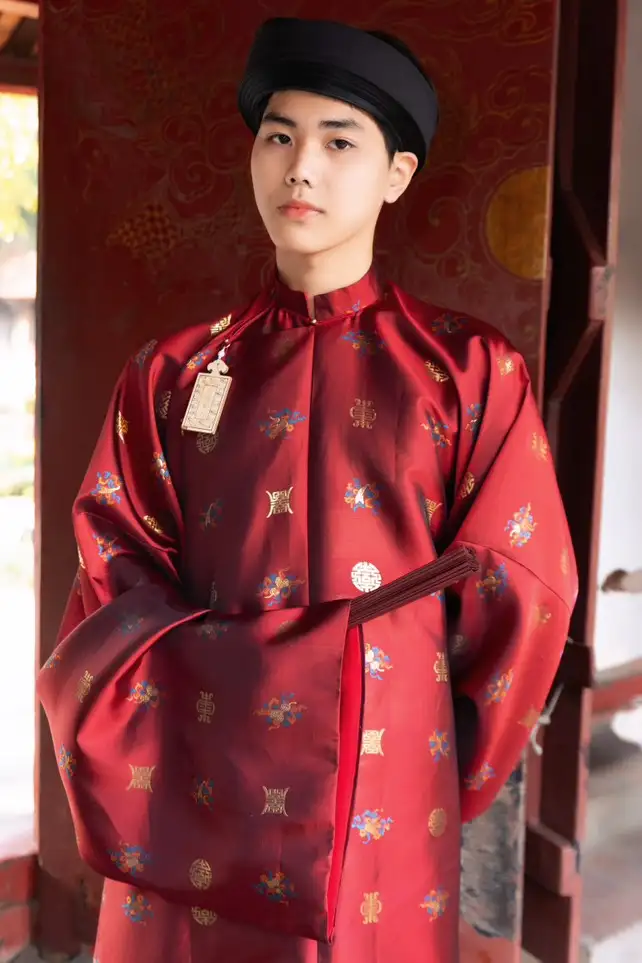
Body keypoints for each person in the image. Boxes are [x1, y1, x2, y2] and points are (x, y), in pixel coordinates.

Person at [38, 17, 578, 963]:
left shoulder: (466, 370)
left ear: (396, 175)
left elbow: (523, 586)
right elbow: (110, 561)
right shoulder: (173, 371)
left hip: (384, 767)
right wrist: (236, 675)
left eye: (339, 142)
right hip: (203, 753)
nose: (301, 169)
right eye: (279, 136)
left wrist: (429, 740)